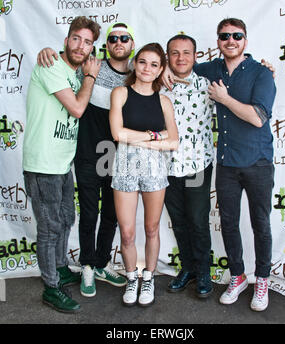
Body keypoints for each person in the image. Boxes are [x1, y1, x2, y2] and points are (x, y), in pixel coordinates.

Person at [37, 23, 135, 298]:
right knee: (89, 212)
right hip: (88, 152)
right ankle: (88, 265)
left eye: (124, 38)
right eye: (113, 38)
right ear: (106, 45)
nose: (118, 41)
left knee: (112, 215)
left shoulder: (136, 73)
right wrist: (47, 51)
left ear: (131, 45)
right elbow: (67, 60)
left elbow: (165, 73)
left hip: (119, 155)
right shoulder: (91, 66)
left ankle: (102, 263)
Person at [192, 18, 276, 311]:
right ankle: (238, 276)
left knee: (260, 223)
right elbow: (182, 68)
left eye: (236, 35)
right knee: (228, 223)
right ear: (217, 40)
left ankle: (262, 278)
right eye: (225, 35)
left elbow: (258, 117)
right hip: (226, 163)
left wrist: (225, 99)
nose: (230, 40)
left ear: (245, 40)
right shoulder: (211, 69)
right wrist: (165, 74)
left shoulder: (262, 73)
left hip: (258, 162)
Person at [23, 16, 101, 313]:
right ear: (66, 39)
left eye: (88, 42)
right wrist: (90, 77)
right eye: (77, 39)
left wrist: (87, 76)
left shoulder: (74, 73)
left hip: (62, 163)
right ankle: (51, 286)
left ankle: (59, 266)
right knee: (49, 226)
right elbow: (78, 108)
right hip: (43, 164)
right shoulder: (51, 66)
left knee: (66, 217)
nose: (81, 46)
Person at [109, 43, 179, 307]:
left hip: (155, 168)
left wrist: (135, 138)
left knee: (151, 228)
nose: (147, 68)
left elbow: (173, 142)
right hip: (125, 167)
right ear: (135, 64)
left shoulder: (163, 101)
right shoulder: (120, 93)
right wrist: (154, 135)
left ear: (160, 69)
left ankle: (148, 276)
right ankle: (131, 277)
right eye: (142, 62)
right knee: (127, 233)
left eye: (153, 64)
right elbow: (117, 134)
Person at [161, 35, 214, 298]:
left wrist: (266, 71)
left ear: (195, 56)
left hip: (197, 166)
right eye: (174, 53)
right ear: (167, 56)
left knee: (198, 221)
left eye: (186, 53)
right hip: (167, 167)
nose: (180, 58)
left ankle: (204, 271)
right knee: (179, 221)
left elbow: (239, 84)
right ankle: (189, 268)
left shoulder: (208, 85)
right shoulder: (158, 86)